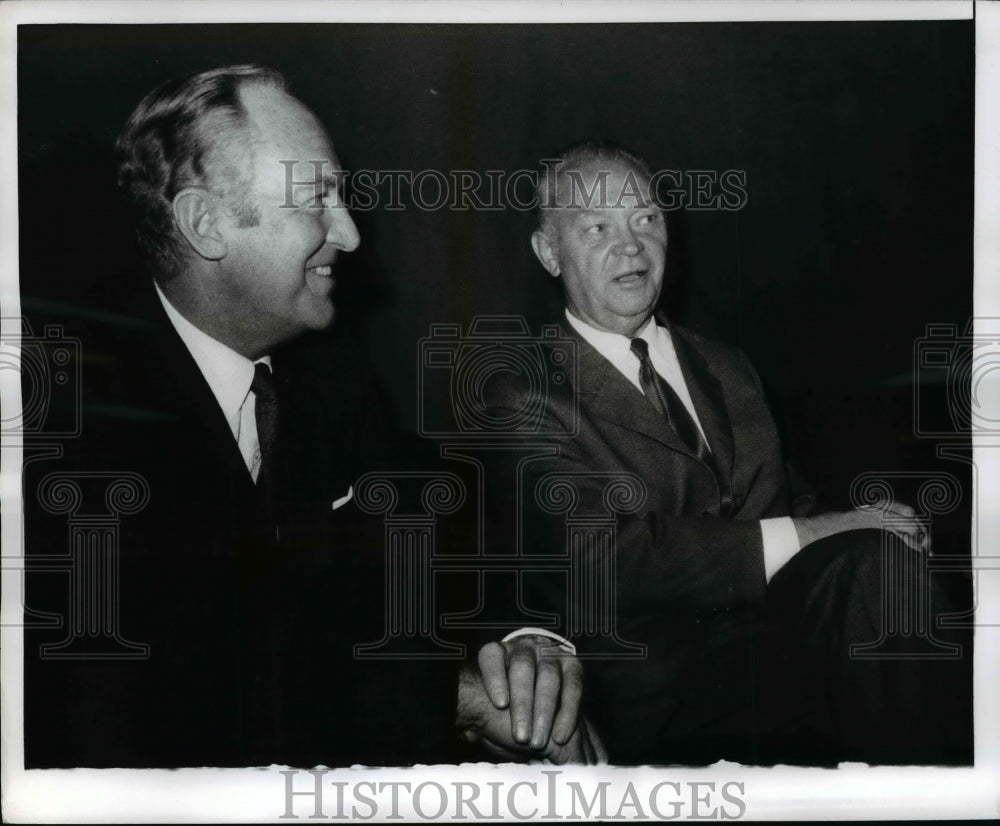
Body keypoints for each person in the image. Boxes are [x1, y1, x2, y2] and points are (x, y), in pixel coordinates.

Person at [21, 65, 599, 768]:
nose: (352, 236)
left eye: (342, 197)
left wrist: (519, 642)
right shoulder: (70, 411)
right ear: (205, 224)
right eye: (314, 199)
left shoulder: (326, 362)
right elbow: (201, 686)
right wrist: (461, 699)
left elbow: (442, 505)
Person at [482, 140, 972, 766]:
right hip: (658, 685)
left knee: (883, 565)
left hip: (786, 642)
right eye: (597, 226)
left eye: (647, 219)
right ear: (549, 253)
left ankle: (939, 786)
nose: (631, 244)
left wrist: (876, 521)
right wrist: (822, 529)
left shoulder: (728, 365)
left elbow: (794, 504)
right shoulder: (520, 385)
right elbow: (598, 556)